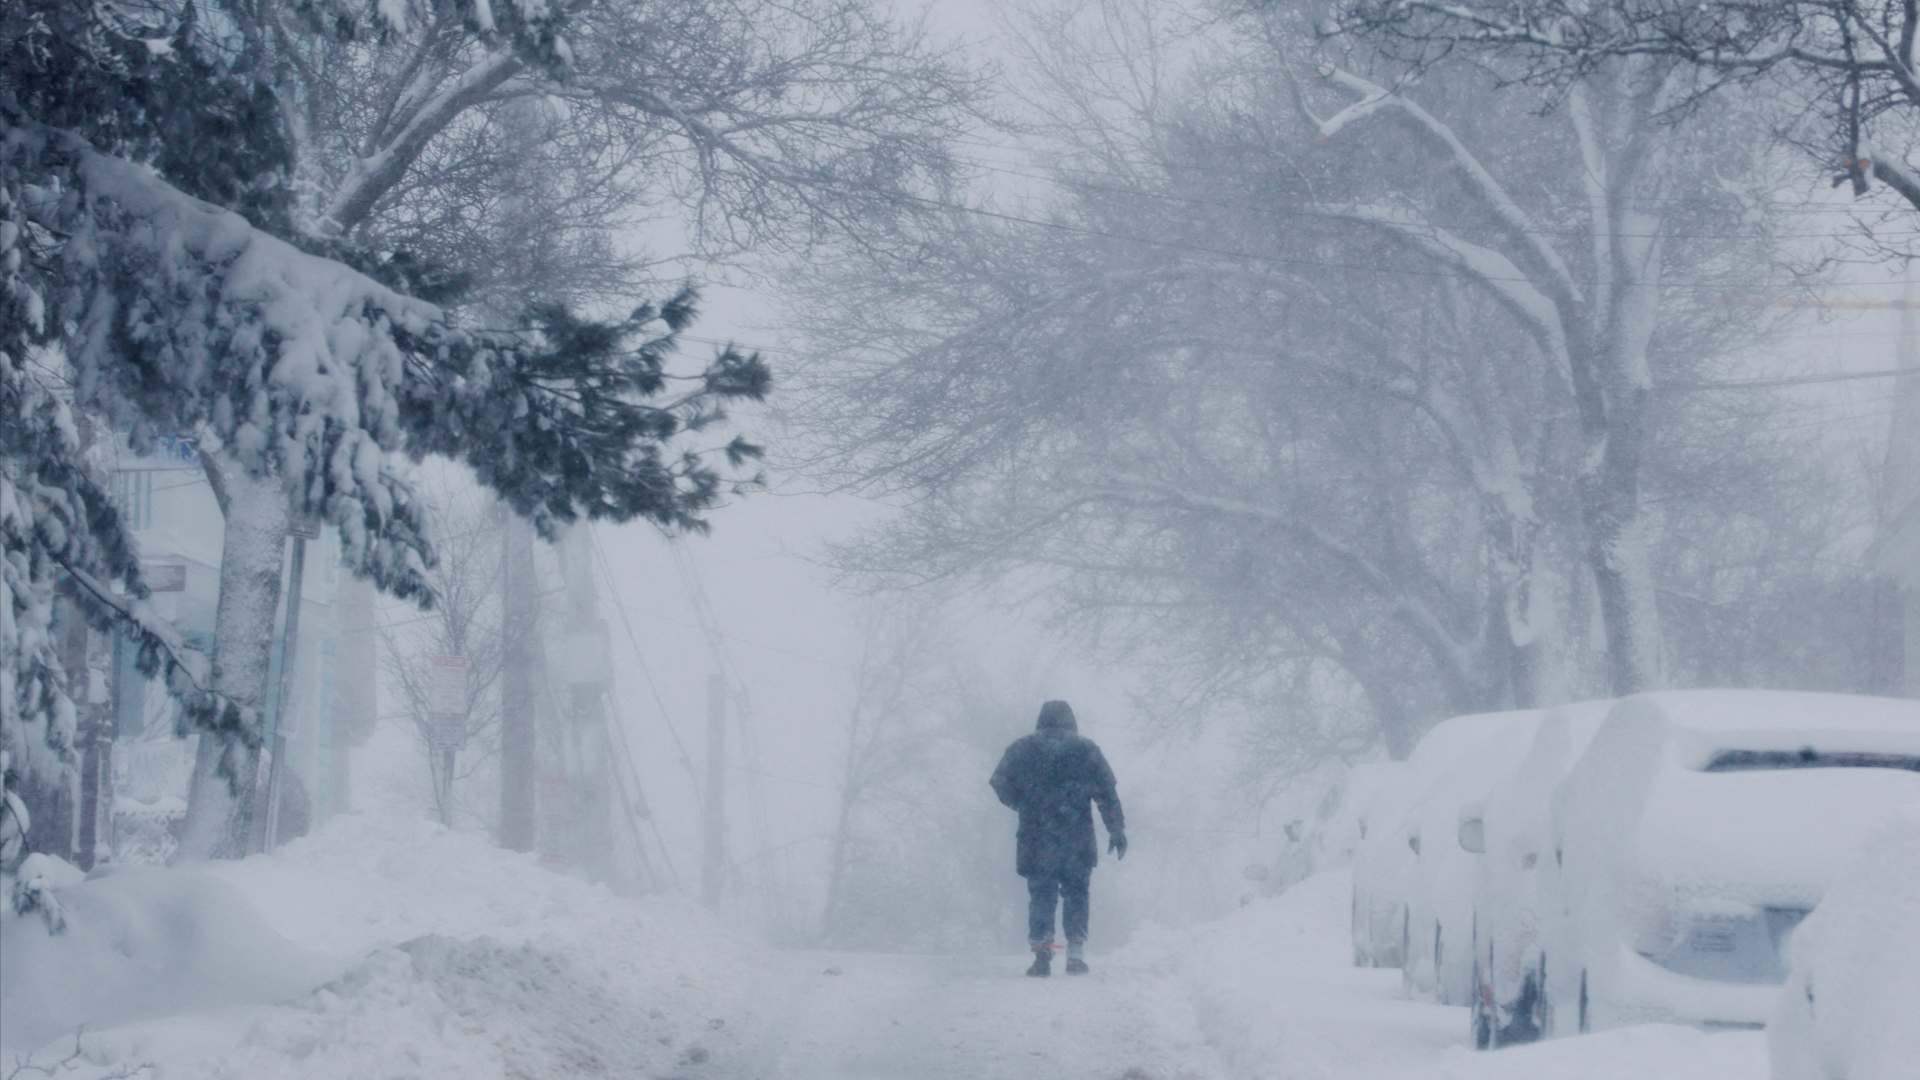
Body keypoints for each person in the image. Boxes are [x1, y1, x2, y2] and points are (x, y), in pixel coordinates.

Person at [989, 699, 1125, 977]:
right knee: (1077, 893)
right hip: (1077, 836)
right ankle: (1075, 953)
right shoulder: (1086, 749)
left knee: (1041, 894)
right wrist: (1116, 830)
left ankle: (1042, 953)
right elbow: (1106, 793)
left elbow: (999, 782)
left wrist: (1023, 802)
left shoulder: (1021, 748)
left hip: (1037, 836)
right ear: (1071, 720)